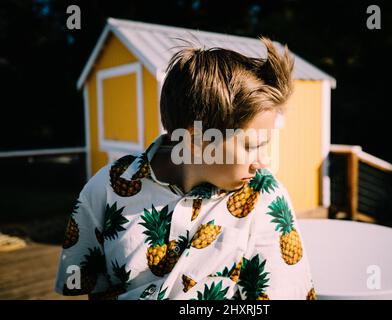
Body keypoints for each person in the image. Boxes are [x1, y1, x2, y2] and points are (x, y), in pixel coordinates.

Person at [54, 37, 316, 300]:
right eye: (250, 146)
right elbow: (92, 288)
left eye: (264, 144)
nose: (263, 161)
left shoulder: (264, 196)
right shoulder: (108, 187)